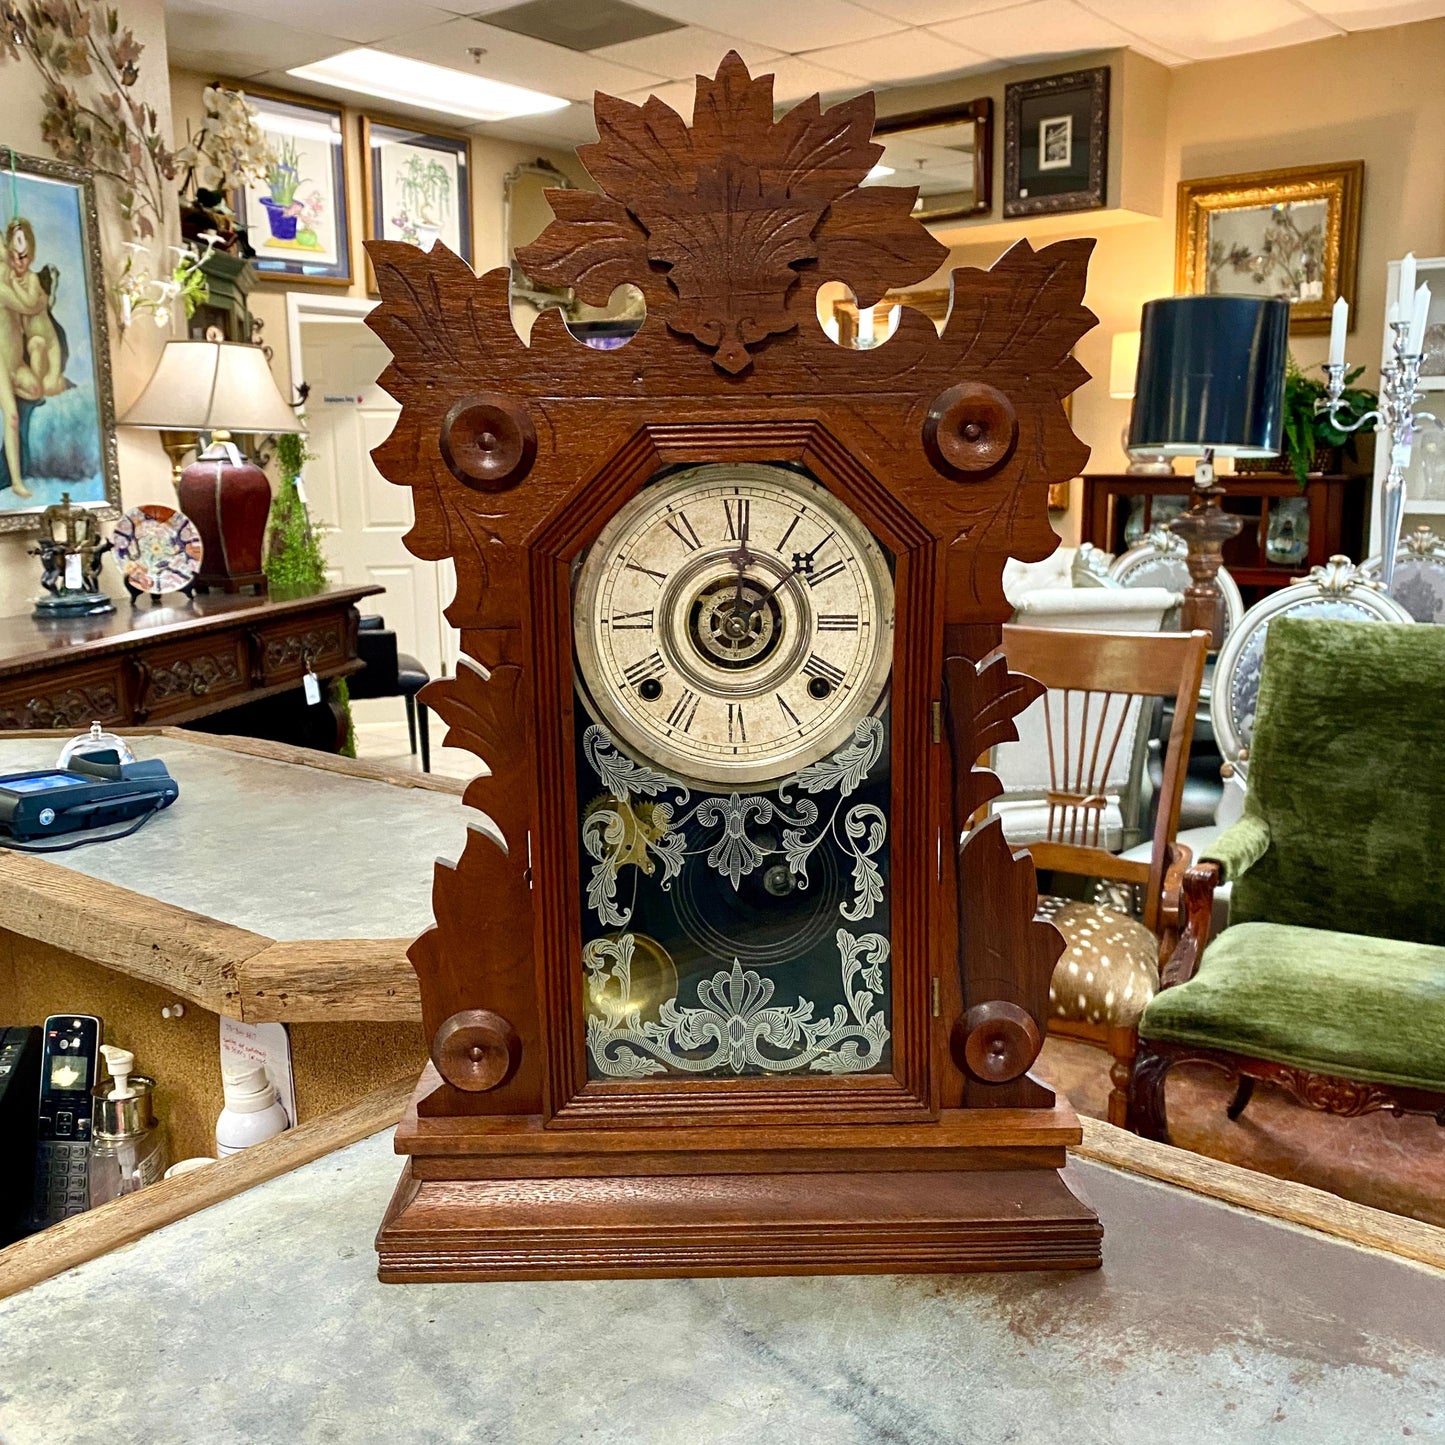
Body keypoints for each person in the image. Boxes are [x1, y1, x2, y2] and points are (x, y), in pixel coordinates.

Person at [0, 218, 67, 398]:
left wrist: (15, 284)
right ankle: (37, 388)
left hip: (49, 342)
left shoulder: (31, 278)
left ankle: (45, 384)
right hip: (33, 342)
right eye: (13, 256)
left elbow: (29, 304)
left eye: (23, 256)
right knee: (35, 346)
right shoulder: (9, 281)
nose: (18, 261)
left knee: (49, 376)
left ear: (32, 256)